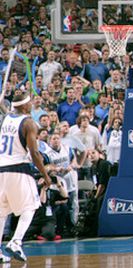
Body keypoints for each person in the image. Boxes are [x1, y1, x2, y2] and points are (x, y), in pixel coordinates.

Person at [0, 92, 52, 262]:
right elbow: (35, 153)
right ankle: (16, 241)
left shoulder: (6, 118)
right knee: (32, 205)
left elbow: (6, 109)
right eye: (29, 102)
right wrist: (45, 174)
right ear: (24, 106)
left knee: (1, 213)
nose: (32, 105)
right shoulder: (29, 123)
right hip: (18, 169)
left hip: (1, 169)